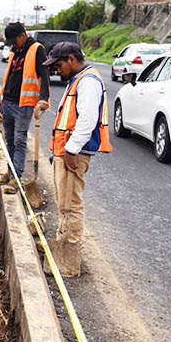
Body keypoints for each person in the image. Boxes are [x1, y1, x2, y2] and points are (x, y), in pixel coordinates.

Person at [43, 41, 112, 276]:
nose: (57, 70)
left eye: (59, 65)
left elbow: (87, 119)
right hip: (67, 151)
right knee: (64, 202)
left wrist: (71, 151)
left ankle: (71, 252)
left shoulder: (88, 82)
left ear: (71, 59)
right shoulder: (79, 79)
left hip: (74, 153)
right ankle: (63, 243)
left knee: (71, 203)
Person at [0, 23, 50, 189]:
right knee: (10, 140)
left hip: (23, 104)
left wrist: (43, 99)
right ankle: (10, 171)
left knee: (19, 140)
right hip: (8, 102)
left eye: (14, 41)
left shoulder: (37, 50)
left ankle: (16, 177)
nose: (13, 45)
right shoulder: (14, 52)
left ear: (23, 36)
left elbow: (45, 77)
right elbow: (8, 79)